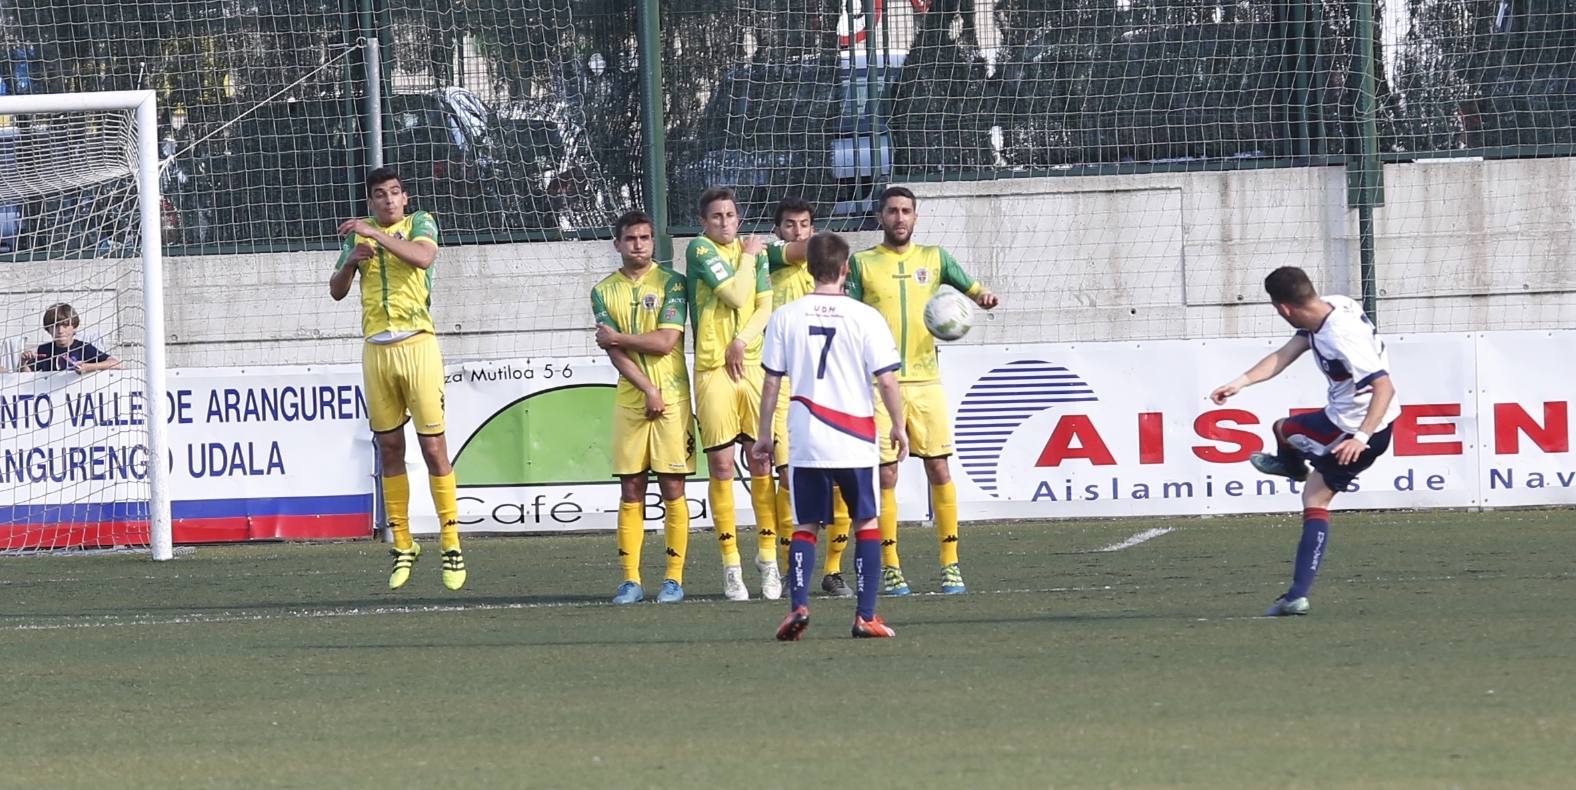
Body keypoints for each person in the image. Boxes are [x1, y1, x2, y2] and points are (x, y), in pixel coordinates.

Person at [1209, 266, 1400, 616]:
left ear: (1282, 308)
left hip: (1351, 428)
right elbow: (1284, 355)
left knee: (1284, 430)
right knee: (1314, 498)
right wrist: (1240, 382)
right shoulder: (1335, 305)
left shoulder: (1339, 337)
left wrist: (1359, 437)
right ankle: (1296, 596)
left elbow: (1385, 387)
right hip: (1372, 426)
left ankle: (1289, 465)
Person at [846, 186, 999, 596]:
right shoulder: (861, 264)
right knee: (887, 473)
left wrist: (982, 297)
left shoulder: (935, 259)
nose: (899, 218)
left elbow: (974, 290)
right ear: (880, 217)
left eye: (906, 211)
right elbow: (850, 318)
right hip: (880, 384)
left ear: (916, 217)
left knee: (940, 469)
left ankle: (951, 566)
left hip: (927, 380)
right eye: (892, 211)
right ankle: (892, 567)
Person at [755, 231, 907, 640]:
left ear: (807, 269)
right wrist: (899, 424)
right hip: (855, 439)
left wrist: (764, 436)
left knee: (805, 525)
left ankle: (799, 606)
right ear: (844, 269)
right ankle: (865, 616)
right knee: (866, 522)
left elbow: (771, 383)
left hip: (806, 439)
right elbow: (887, 380)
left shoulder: (786, 316)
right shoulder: (865, 316)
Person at [329, 165, 466, 592]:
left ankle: (450, 540)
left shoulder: (420, 222)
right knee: (389, 446)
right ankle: (404, 544)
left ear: (404, 198)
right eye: (379, 195)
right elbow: (336, 290)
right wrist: (351, 261)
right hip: (377, 349)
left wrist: (375, 236)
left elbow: (424, 256)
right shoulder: (358, 235)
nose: (388, 200)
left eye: (394, 193)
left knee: (433, 447)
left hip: (418, 345)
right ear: (370, 202)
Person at [592, 210, 695, 604]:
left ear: (654, 242)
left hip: (672, 398)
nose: (639, 244)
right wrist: (647, 388)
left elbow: (666, 342)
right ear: (617, 243)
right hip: (633, 399)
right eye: (631, 238)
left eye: (646, 238)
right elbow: (614, 355)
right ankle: (631, 580)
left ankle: (673, 578)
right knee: (631, 486)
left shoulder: (673, 283)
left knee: (673, 487)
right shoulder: (603, 290)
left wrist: (618, 337)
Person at [685, 187, 778, 601]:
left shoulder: (752, 254)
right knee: (722, 467)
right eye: (717, 216)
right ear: (704, 222)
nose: (725, 222)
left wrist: (741, 340)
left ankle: (768, 559)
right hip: (712, 369)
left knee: (761, 460)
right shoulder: (700, 250)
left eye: (730, 215)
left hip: (751, 367)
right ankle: (731, 566)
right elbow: (735, 295)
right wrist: (748, 257)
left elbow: (764, 307)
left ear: (739, 218)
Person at [765, 198, 856, 598]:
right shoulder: (769, 261)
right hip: (787, 385)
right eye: (790, 225)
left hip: (831, 388)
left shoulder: (834, 277)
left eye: (805, 225)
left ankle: (833, 571)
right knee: (790, 479)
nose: (798, 231)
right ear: (778, 230)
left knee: (838, 481)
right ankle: (792, 568)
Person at [18, 303, 120, 373]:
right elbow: (26, 376)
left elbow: (116, 363)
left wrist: (89, 367)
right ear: (48, 329)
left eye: (65, 326)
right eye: (55, 326)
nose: (60, 330)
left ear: (74, 327)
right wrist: (23, 362)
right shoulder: (45, 350)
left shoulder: (83, 348)